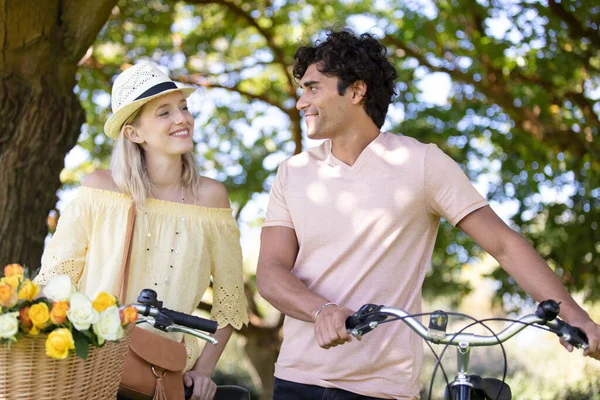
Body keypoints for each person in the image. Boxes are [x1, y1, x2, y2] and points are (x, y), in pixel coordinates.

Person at [256, 29, 600, 400]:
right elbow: (271, 272)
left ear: (356, 91)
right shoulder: (292, 173)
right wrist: (321, 310)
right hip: (296, 380)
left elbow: (503, 244)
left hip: (382, 389)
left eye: (312, 88)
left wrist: (575, 315)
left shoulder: (420, 163)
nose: (300, 102)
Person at [34, 61, 248, 400]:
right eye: (164, 113)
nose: (182, 119)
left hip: (163, 374)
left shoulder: (211, 198)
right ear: (134, 133)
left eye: (184, 108)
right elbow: (56, 279)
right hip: (89, 367)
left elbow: (230, 301)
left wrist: (204, 371)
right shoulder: (101, 190)